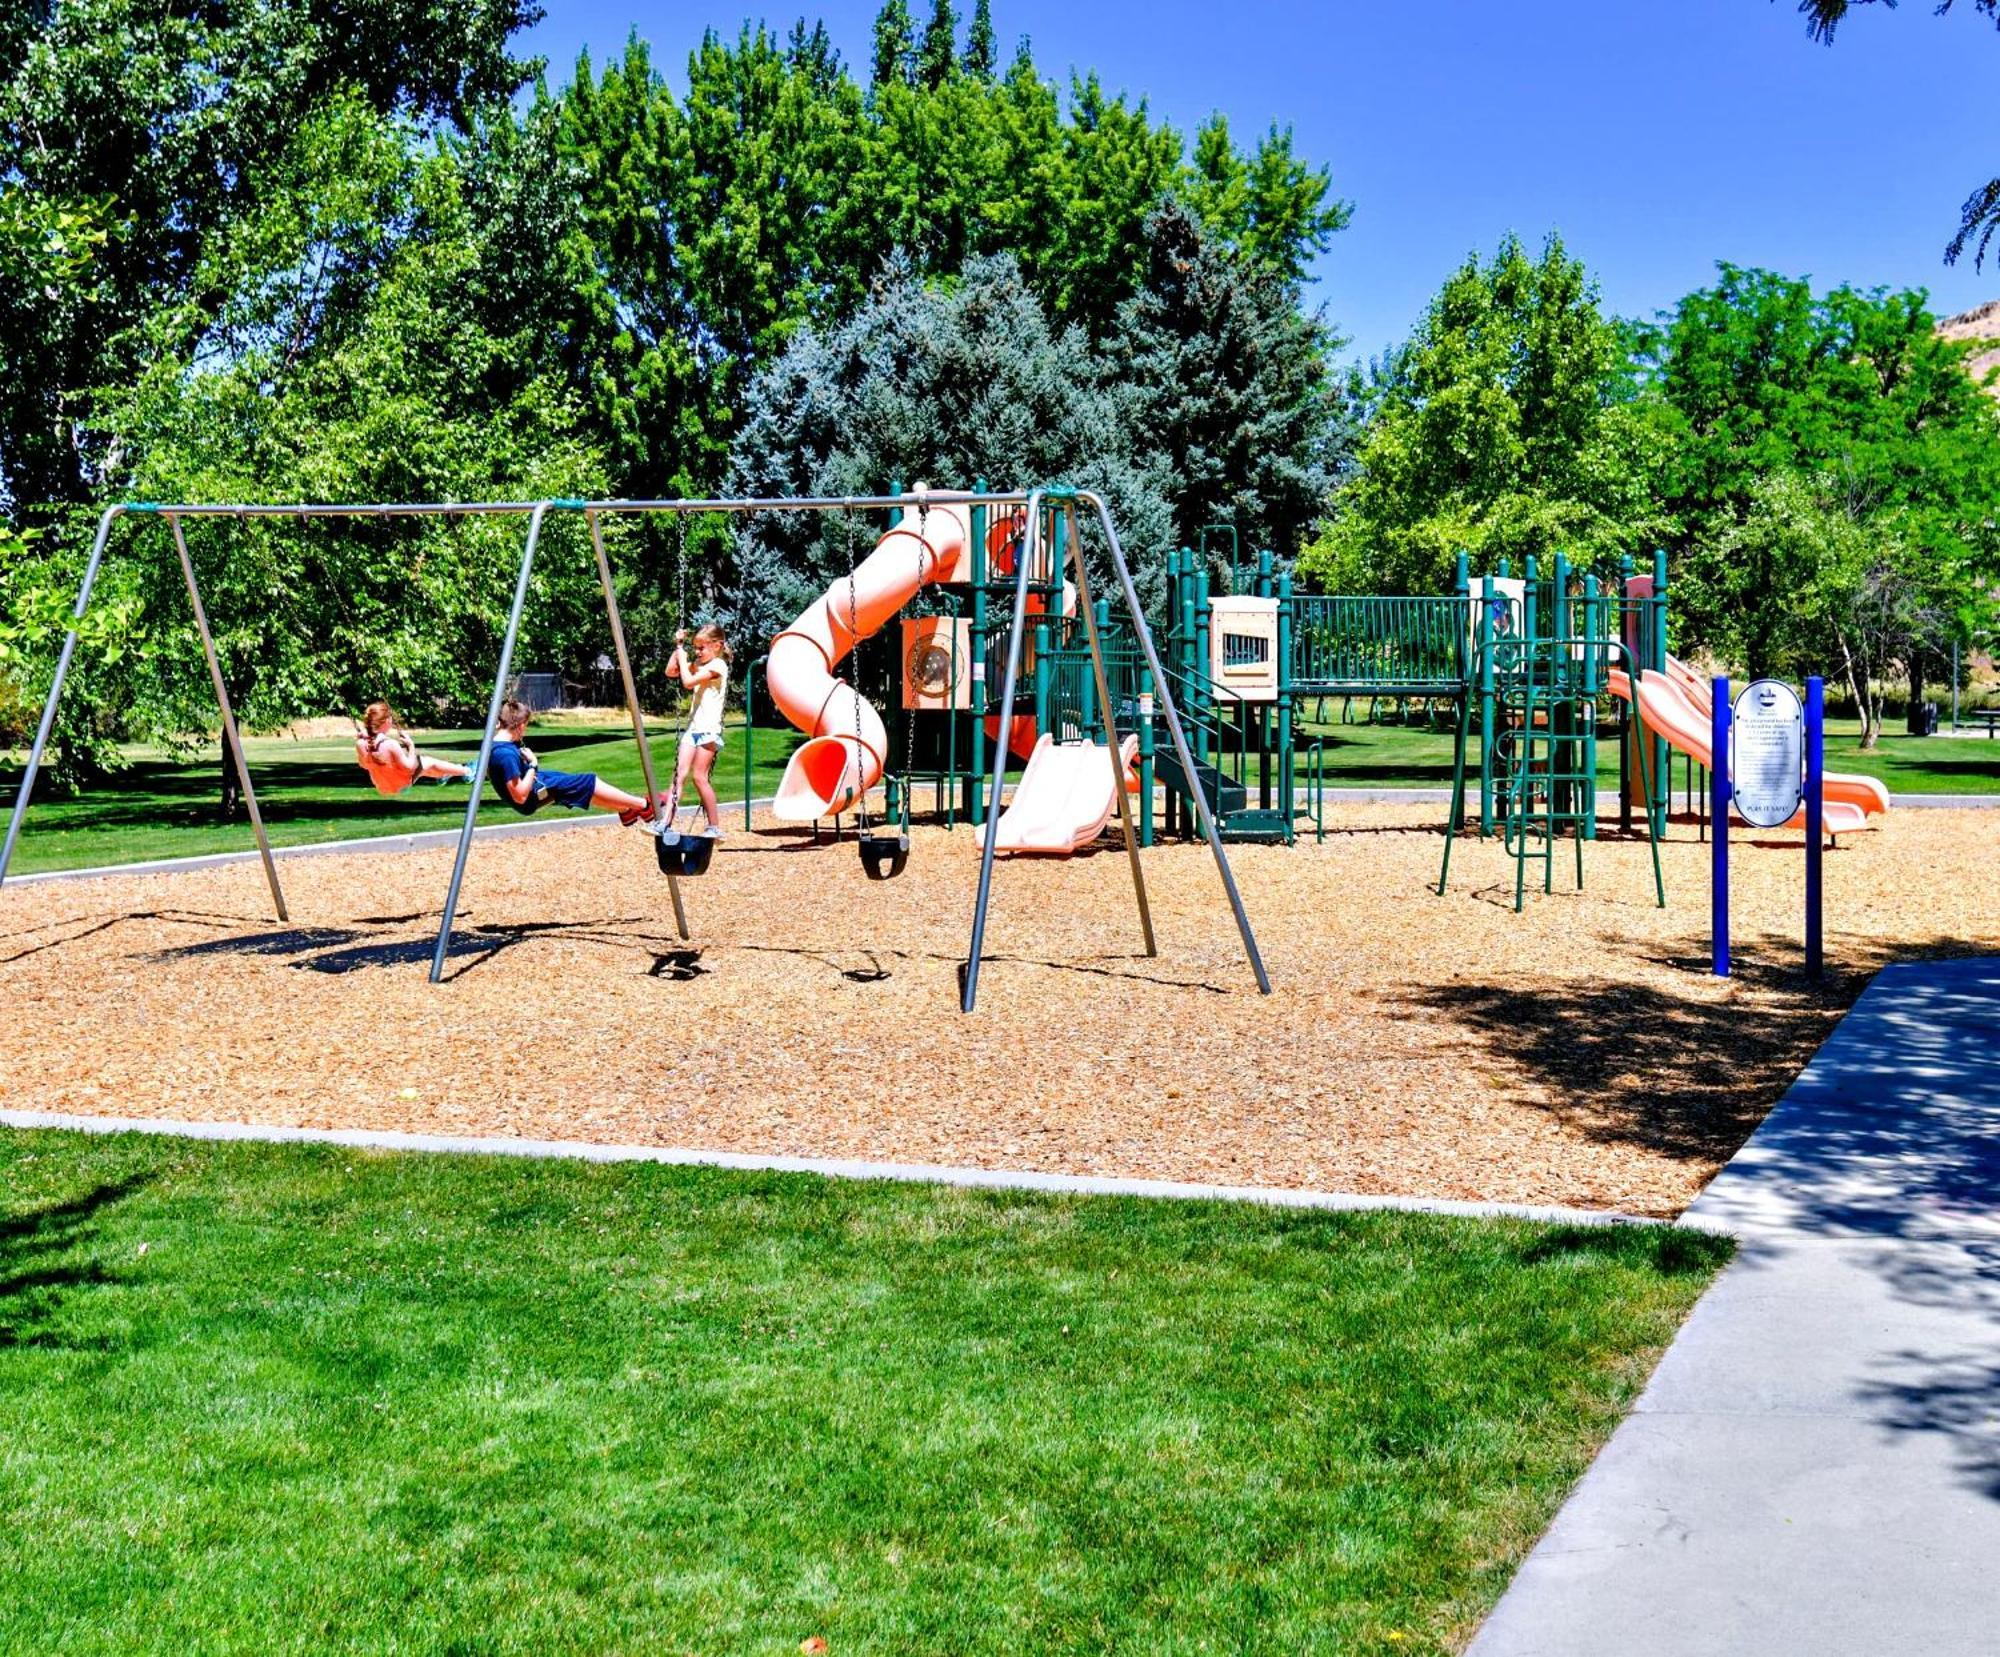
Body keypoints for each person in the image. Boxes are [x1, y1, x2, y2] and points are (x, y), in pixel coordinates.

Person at [488, 698, 660, 825]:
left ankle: (626, 811)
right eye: (525, 726)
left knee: (580, 788)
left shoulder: (497, 744)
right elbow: (519, 796)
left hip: (538, 783)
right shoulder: (505, 755)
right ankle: (644, 806)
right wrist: (533, 765)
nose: (525, 731)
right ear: (519, 726)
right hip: (531, 796)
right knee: (588, 781)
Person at [665, 623, 730, 835]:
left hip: (709, 729)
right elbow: (671, 672)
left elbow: (688, 682)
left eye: (702, 648)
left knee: (699, 777)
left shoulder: (718, 666)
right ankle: (665, 822)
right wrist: (678, 647)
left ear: (717, 646)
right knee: (679, 775)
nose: (698, 652)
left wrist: (685, 661)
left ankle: (714, 827)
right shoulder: (700, 664)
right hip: (693, 728)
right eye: (696, 648)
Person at [355, 701, 473, 796]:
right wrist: (411, 746)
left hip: (383, 788)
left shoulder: (360, 743)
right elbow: (409, 767)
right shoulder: (390, 744)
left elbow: (364, 765)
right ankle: (467, 771)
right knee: (425, 762)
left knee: (424, 769)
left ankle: (445, 774)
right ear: (386, 721)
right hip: (401, 786)